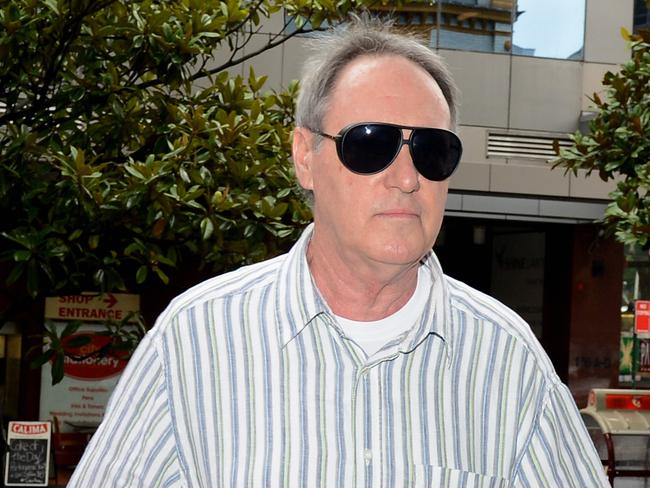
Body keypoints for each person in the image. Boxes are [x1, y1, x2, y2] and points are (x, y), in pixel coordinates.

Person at [69, 18, 609, 487]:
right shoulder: (194, 341)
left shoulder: (508, 359)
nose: (405, 177)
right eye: (370, 144)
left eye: (431, 150)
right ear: (305, 157)